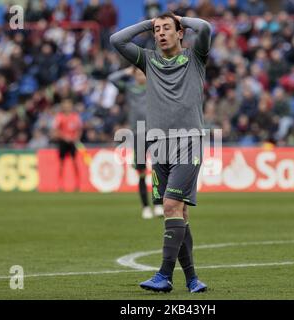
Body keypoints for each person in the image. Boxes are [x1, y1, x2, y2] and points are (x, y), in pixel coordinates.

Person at [110, 12, 212, 293]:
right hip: (158, 144)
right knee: (178, 213)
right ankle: (192, 279)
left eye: (167, 29)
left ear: (180, 33)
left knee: (169, 205)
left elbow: (204, 27)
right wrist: (148, 23)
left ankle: (164, 275)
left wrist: (180, 18)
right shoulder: (148, 60)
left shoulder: (195, 58)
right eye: (157, 30)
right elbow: (116, 39)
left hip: (188, 141)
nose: (160, 33)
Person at [108, 66, 164, 219]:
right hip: (137, 132)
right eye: (138, 73)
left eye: (143, 73)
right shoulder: (129, 88)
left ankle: (158, 204)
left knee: (157, 169)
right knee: (141, 172)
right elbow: (112, 79)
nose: (141, 76)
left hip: (154, 131)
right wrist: (126, 71)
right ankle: (146, 207)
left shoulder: (154, 86)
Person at [54, 99, 83, 191]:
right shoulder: (60, 117)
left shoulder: (75, 117)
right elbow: (56, 130)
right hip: (63, 142)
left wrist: (75, 138)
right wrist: (64, 137)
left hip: (72, 142)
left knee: (75, 162)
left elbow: (79, 129)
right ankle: (60, 184)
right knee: (61, 163)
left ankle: (78, 184)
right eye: (65, 105)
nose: (67, 107)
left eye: (68, 105)